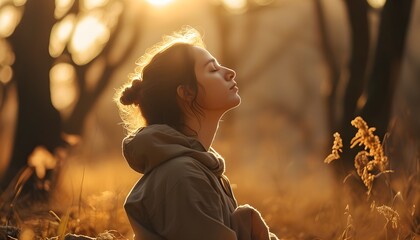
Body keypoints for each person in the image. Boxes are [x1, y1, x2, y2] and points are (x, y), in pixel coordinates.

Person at [115, 26, 278, 240]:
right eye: (212, 70)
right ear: (186, 92)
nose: (230, 72)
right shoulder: (183, 177)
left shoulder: (200, 171)